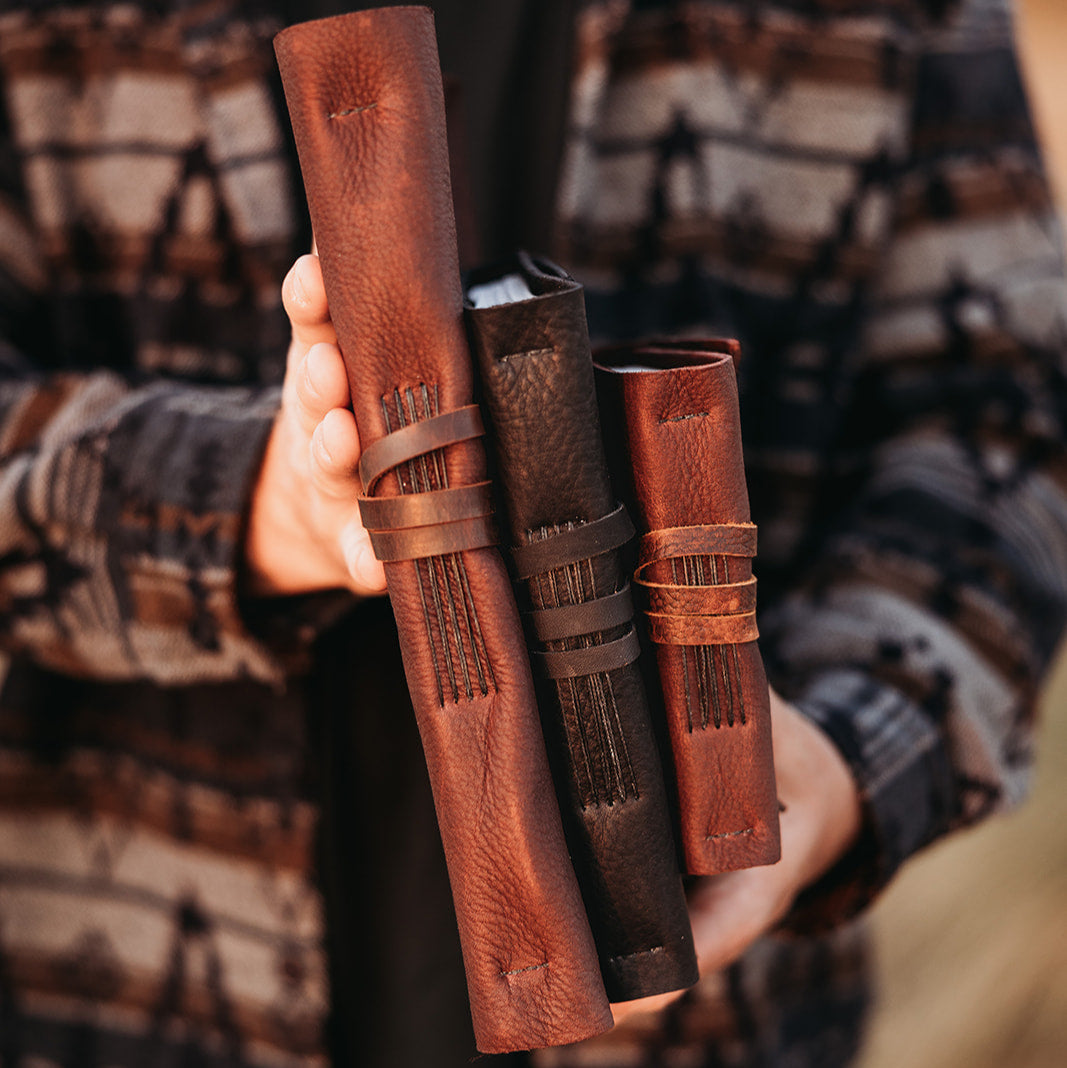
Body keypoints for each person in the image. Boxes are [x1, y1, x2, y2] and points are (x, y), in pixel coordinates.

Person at [0, 0, 1061, 1066]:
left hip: (708, 1010)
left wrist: (842, 758)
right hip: (133, 996)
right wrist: (252, 505)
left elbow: (1004, 437)